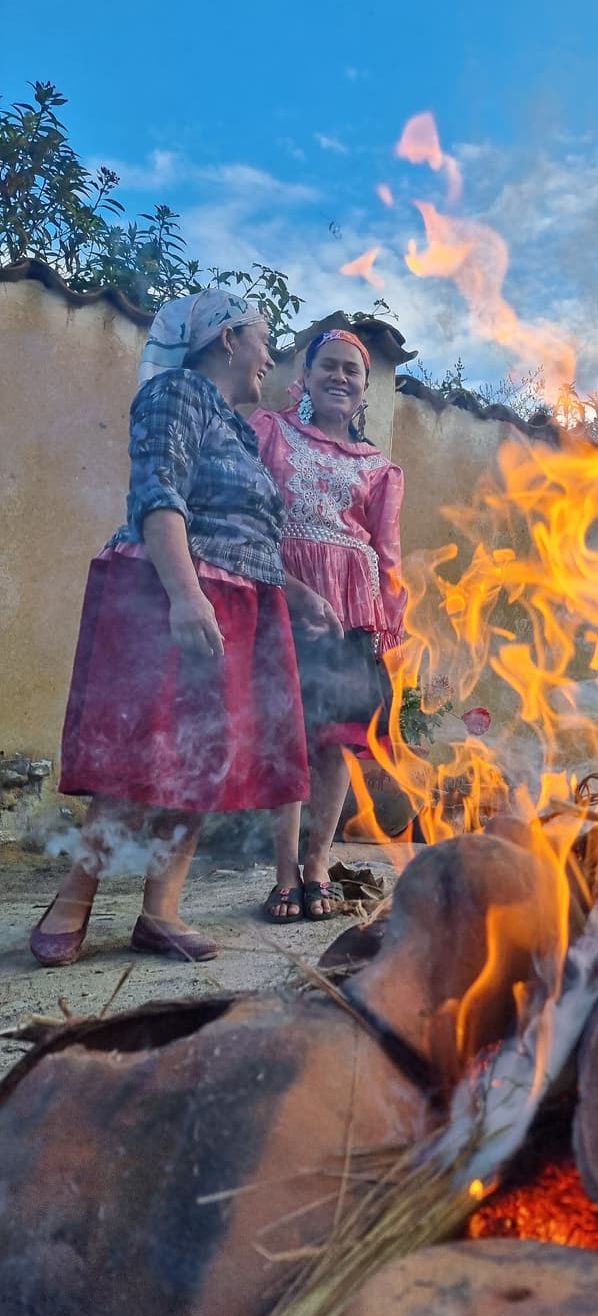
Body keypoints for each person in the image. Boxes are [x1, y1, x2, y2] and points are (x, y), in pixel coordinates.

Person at [29, 289, 324, 968]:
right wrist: (186, 596)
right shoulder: (176, 394)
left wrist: (299, 595)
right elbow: (157, 493)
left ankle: (160, 912)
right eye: (264, 339)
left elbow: (255, 536)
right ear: (227, 338)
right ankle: (74, 897)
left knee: (202, 756)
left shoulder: (242, 431)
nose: (270, 357)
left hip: (243, 599)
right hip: (171, 590)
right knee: (139, 749)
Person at [250, 328, 407, 921]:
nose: (341, 377)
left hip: (350, 609)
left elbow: (387, 552)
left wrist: (388, 622)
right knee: (287, 733)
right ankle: (284, 872)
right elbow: (250, 515)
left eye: (353, 371)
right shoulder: (271, 432)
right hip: (283, 594)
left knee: (335, 742)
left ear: (366, 389)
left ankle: (318, 865)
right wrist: (275, 587)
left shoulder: (381, 469)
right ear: (306, 375)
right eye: (330, 367)